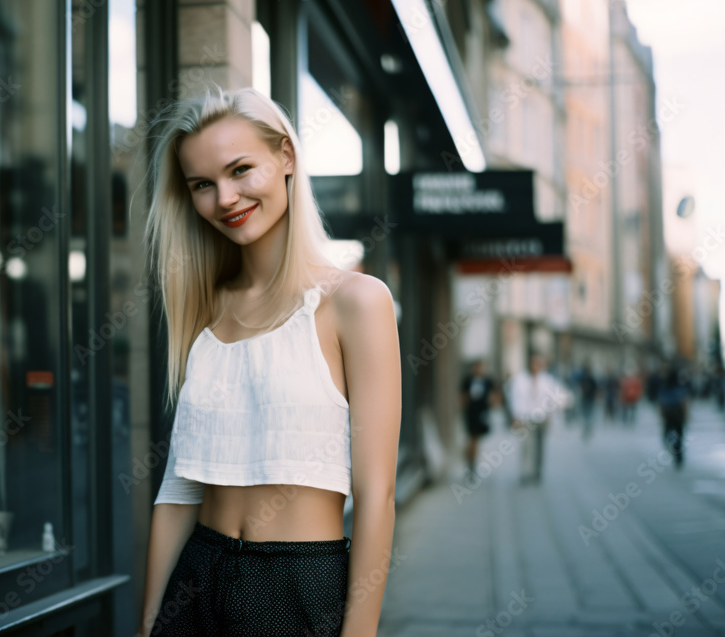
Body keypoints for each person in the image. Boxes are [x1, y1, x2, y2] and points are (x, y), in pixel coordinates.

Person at [135, 85, 402, 637]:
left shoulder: (355, 302)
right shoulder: (204, 308)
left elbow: (377, 495)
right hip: (195, 579)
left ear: (285, 157)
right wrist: (147, 625)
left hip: (297, 585)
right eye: (202, 185)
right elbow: (180, 490)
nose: (225, 198)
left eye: (240, 170)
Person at [507, 353, 573, 485]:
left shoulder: (547, 380)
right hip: (525, 417)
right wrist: (515, 417)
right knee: (526, 446)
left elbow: (555, 399)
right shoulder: (521, 380)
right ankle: (525, 472)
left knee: (539, 446)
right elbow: (515, 398)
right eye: (533, 363)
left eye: (538, 364)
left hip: (541, 418)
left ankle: (537, 472)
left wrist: (550, 414)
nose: (536, 366)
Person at [459, 359, 498, 476]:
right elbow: (462, 397)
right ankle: (471, 463)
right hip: (471, 413)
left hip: (482, 413)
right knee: (473, 438)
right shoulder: (468, 380)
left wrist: (492, 402)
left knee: (476, 439)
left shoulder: (487, 381)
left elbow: (495, 396)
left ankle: (471, 461)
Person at [656, 362, 688, 468]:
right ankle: (678, 453)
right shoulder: (679, 387)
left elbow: (660, 402)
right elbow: (683, 401)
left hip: (668, 414)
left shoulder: (664, 387)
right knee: (679, 434)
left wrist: (661, 414)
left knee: (667, 433)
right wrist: (686, 414)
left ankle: (673, 445)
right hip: (678, 414)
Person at [578, 363, 599, 441]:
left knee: (588, 414)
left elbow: (596, 389)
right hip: (586, 399)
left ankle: (588, 427)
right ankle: (586, 427)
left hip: (589, 399)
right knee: (586, 415)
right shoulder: (584, 379)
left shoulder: (592, 380)